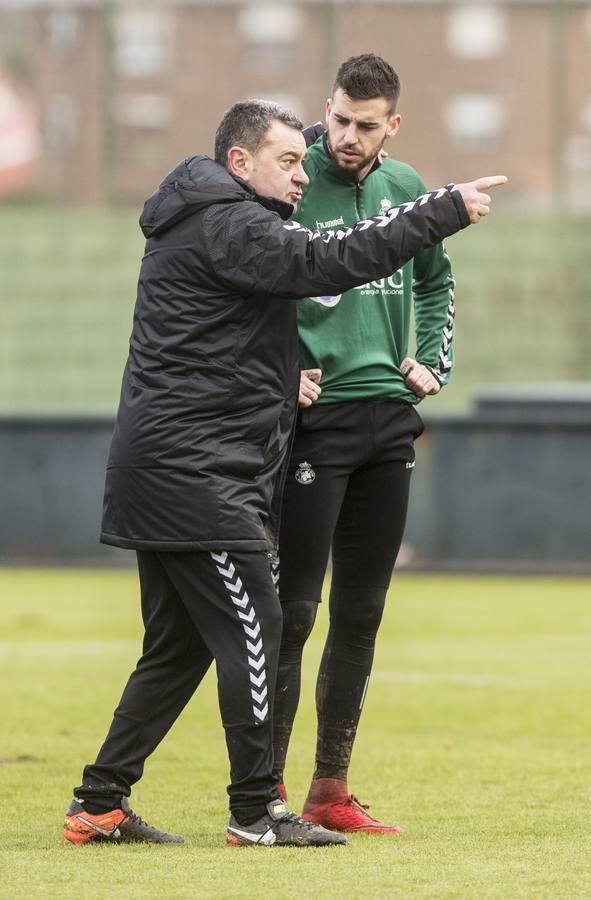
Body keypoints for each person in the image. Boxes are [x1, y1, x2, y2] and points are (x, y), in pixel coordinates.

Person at [62, 98, 505, 848]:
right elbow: (324, 261)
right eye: (289, 161)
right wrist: (440, 210)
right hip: (195, 477)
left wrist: (280, 380)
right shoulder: (232, 222)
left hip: (176, 468)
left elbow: (218, 347)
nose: (305, 174)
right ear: (241, 164)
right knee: (259, 630)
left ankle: (99, 801)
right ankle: (255, 811)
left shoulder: (212, 215)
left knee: (178, 647)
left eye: (305, 160)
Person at [273, 54, 480, 835]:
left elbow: (436, 281)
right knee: (293, 612)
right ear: (324, 108)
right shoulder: (288, 180)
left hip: (387, 418)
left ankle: (331, 790)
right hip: (310, 427)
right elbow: (253, 281)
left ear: (393, 124)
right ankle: (266, 793)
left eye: (367, 125)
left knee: (361, 613)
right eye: (340, 120)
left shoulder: (406, 188)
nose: (348, 137)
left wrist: (432, 360)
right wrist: (283, 365)